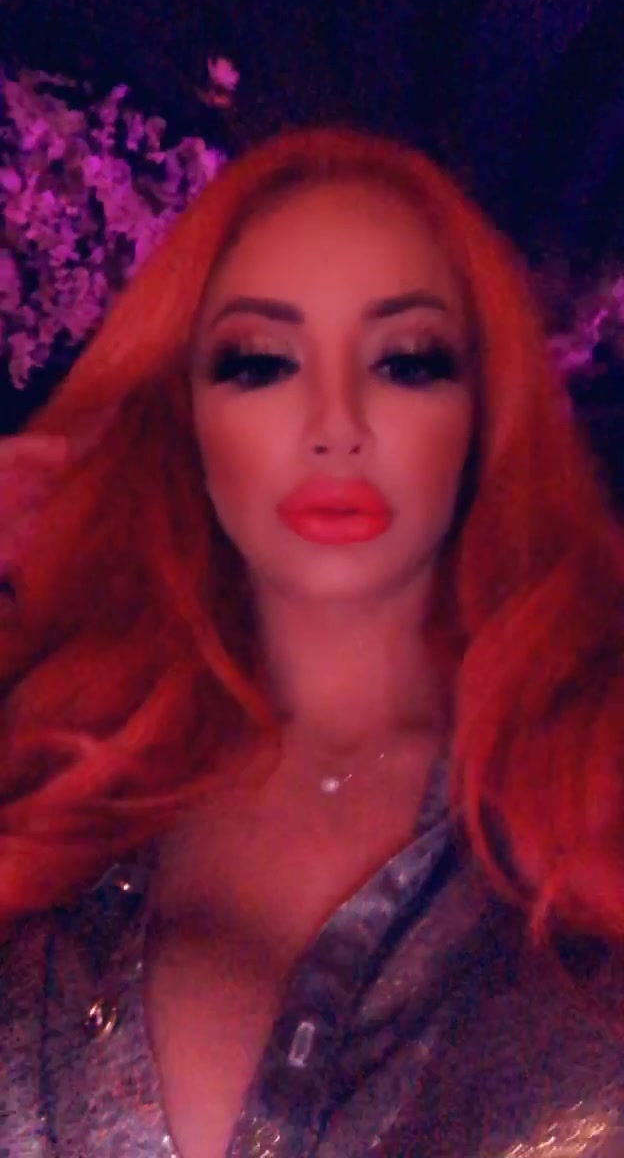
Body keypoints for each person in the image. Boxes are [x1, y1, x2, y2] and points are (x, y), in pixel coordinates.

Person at [1, 125, 624, 1158]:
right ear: (184, 414)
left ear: (485, 413)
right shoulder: (45, 754)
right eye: (263, 362)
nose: (337, 423)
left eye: (406, 360)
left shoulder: (595, 765)